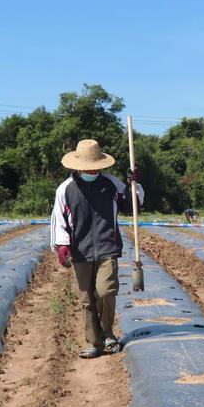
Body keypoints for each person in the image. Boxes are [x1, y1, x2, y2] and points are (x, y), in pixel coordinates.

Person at [50, 139, 144, 359]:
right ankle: (94, 342)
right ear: (78, 165)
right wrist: (62, 244)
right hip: (80, 250)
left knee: (105, 292)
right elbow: (58, 219)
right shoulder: (66, 189)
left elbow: (132, 207)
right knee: (87, 299)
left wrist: (133, 185)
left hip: (107, 247)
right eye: (88, 166)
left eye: (96, 166)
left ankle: (108, 333)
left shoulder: (112, 184)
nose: (92, 169)